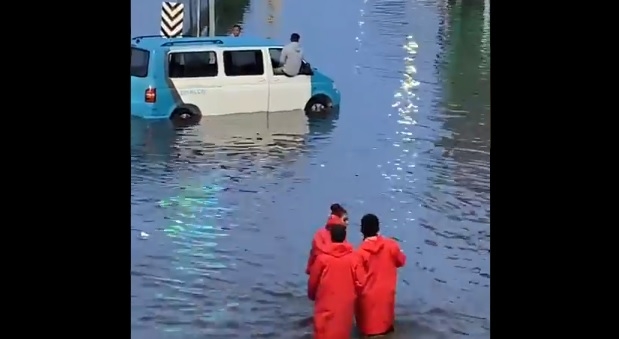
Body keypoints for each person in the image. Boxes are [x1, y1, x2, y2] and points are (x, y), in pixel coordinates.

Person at [308, 225, 366, 339]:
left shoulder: (322, 259)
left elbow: (312, 283)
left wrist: (312, 296)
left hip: (324, 306)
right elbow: (361, 283)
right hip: (344, 308)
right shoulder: (354, 258)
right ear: (344, 237)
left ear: (331, 238)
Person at [355, 213, 407, 337]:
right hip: (386, 297)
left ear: (362, 230)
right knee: (387, 329)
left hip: (367, 303)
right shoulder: (391, 245)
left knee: (369, 332)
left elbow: (357, 281)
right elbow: (401, 261)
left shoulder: (359, 253)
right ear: (378, 228)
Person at [305, 203, 349, 275]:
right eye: (345, 219)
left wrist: (309, 269)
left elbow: (314, 254)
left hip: (320, 275)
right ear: (338, 219)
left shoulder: (319, 234)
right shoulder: (342, 239)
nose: (347, 223)